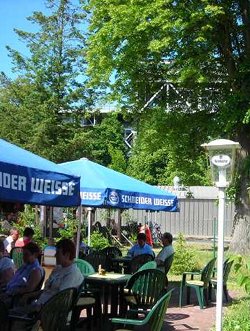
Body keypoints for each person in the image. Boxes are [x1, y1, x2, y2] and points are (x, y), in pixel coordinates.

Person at [34, 238, 83, 306]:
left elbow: (61, 300)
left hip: (51, 312)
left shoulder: (72, 274)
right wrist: (29, 295)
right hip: (40, 306)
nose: (55, 255)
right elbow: (46, 291)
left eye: (58, 253)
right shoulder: (57, 269)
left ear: (67, 255)